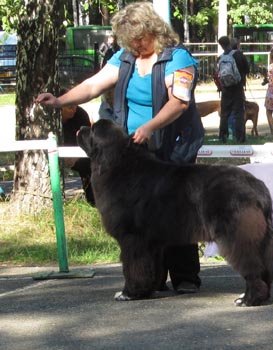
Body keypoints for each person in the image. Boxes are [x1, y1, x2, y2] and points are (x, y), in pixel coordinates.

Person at [36, 2, 205, 293]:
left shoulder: (178, 59)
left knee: (176, 211)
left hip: (173, 147)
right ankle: (149, 279)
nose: (136, 45)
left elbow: (179, 102)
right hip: (136, 151)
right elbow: (92, 85)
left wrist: (151, 126)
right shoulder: (123, 59)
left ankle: (185, 276)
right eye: (130, 41)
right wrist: (61, 101)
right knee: (141, 218)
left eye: (139, 40)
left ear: (154, 31)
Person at [60, 99, 94, 206]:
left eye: (76, 106)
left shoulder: (81, 114)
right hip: (57, 151)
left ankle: (92, 200)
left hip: (78, 151)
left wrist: (76, 156)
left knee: (88, 165)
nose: (74, 110)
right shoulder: (51, 119)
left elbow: (88, 139)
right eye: (70, 107)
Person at [216, 36, 250, 144]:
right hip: (237, 87)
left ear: (221, 45)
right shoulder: (239, 55)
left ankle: (222, 136)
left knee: (225, 113)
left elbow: (217, 73)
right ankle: (240, 137)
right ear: (230, 43)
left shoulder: (221, 57)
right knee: (239, 113)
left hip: (225, 88)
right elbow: (247, 69)